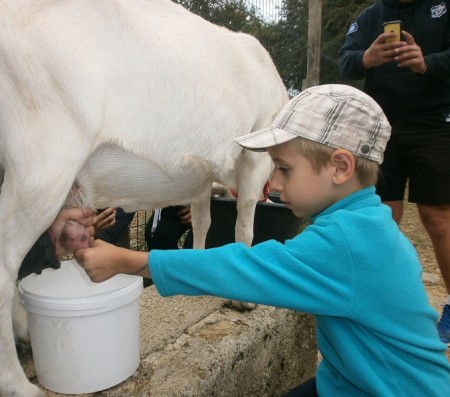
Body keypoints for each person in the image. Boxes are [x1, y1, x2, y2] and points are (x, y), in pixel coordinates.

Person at [75, 84, 450, 396]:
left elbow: (246, 268)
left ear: (340, 167)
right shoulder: (366, 222)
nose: (276, 183)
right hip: (348, 381)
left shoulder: (349, 241)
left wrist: (131, 261)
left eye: (285, 169)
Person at [339, 0, 450, 345]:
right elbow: (347, 61)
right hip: (381, 130)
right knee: (383, 218)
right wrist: (366, 59)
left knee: (439, 219)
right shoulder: (372, 16)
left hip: (435, 126)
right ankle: (381, 306)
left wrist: (426, 64)